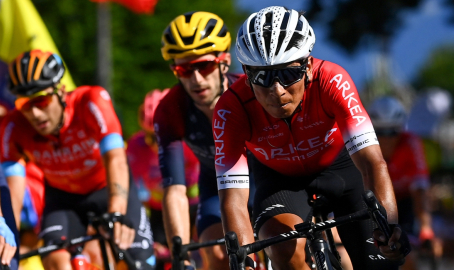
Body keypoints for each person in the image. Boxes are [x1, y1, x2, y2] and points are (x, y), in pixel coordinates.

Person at [213, 6, 410, 270]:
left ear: (307, 65)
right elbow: (233, 198)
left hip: (341, 169)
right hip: (279, 181)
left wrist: (390, 226)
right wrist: (244, 261)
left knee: (381, 259)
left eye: (288, 73)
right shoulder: (231, 108)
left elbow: (371, 161)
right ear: (246, 74)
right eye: (262, 76)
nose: (277, 90)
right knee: (280, 247)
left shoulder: (331, 80)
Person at [1, 49, 155, 269]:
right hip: (64, 199)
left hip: (107, 188)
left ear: (61, 91)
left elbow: (116, 159)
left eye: (41, 101)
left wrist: (117, 212)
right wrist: (8, 236)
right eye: (26, 104)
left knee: (138, 264)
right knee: (57, 262)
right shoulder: (14, 127)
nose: (34, 114)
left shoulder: (90, 102)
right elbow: (12, 192)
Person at [154, 11, 248, 269]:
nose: (196, 79)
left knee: (283, 247)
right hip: (216, 184)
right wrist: (180, 252)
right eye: (184, 69)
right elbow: (174, 190)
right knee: (215, 255)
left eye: (204, 66)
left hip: (265, 177)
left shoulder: (249, 93)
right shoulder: (170, 109)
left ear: (224, 62)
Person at [127, 89, 200, 270]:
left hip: (193, 205)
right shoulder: (136, 147)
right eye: (151, 137)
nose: (157, 144)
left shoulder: (188, 141)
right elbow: (134, 189)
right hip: (158, 210)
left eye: (162, 136)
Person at [368, 96, 442, 270]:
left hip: (404, 204)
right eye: (380, 132)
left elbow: (420, 190)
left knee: (408, 256)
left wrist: (426, 227)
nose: (386, 139)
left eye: (393, 131)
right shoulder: (362, 148)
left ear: (401, 128)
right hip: (374, 207)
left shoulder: (411, 143)